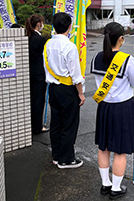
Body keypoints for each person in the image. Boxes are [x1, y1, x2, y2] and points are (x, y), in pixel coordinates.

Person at [90, 22, 134, 199]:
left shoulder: (97, 57)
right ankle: (116, 188)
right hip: (122, 109)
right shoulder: (127, 60)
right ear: (121, 39)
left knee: (103, 147)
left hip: (104, 108)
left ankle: (105, 184)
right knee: (120, 150)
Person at [43, 12, 85, 169]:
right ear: (69, 26)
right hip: (68, 90)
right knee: (69, 124)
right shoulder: (69, 46)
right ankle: (66, 160)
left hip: (53, 88)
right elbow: (76, 75)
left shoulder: (48, 44)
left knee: (56, 122)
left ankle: (56, 155)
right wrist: (80, 93)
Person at [25, 14, 48, 135]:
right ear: (38, 24)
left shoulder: (27, 37)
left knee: (31, 100)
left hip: (29, 73)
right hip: (39, 74)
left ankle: (32, 125)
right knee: (39, 101)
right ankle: (37, 127)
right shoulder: (40, 39)